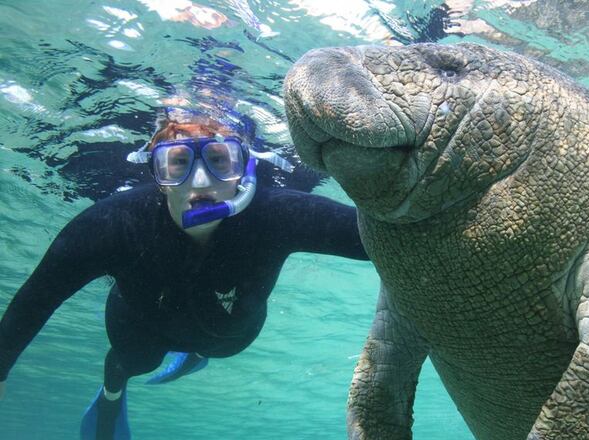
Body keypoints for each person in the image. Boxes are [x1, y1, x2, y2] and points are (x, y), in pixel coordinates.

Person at [0, 106, 369, 440]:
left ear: (245, 171)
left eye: (220, 162)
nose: (201, 181)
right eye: (178, 163)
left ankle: (193, 356)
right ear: (157, 176)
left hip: (227, 335)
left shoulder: (278, 214)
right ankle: (112, 394)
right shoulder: (114, 223)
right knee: (134, 362)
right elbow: (37, 298)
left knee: (224, 346)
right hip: (139, 327)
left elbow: (378, 240)